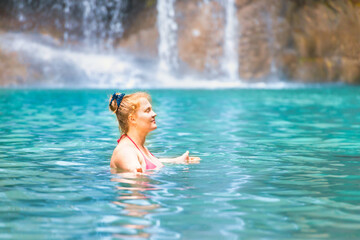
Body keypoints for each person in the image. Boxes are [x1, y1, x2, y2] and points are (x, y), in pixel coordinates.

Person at [109, 92, 200, 173]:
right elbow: (133, 176)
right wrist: (134, 174)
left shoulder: (138, 147)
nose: (154, 114)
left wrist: (177, 160)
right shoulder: (125, 151)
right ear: (132, 119)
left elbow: (151, 162)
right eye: (147, 110)